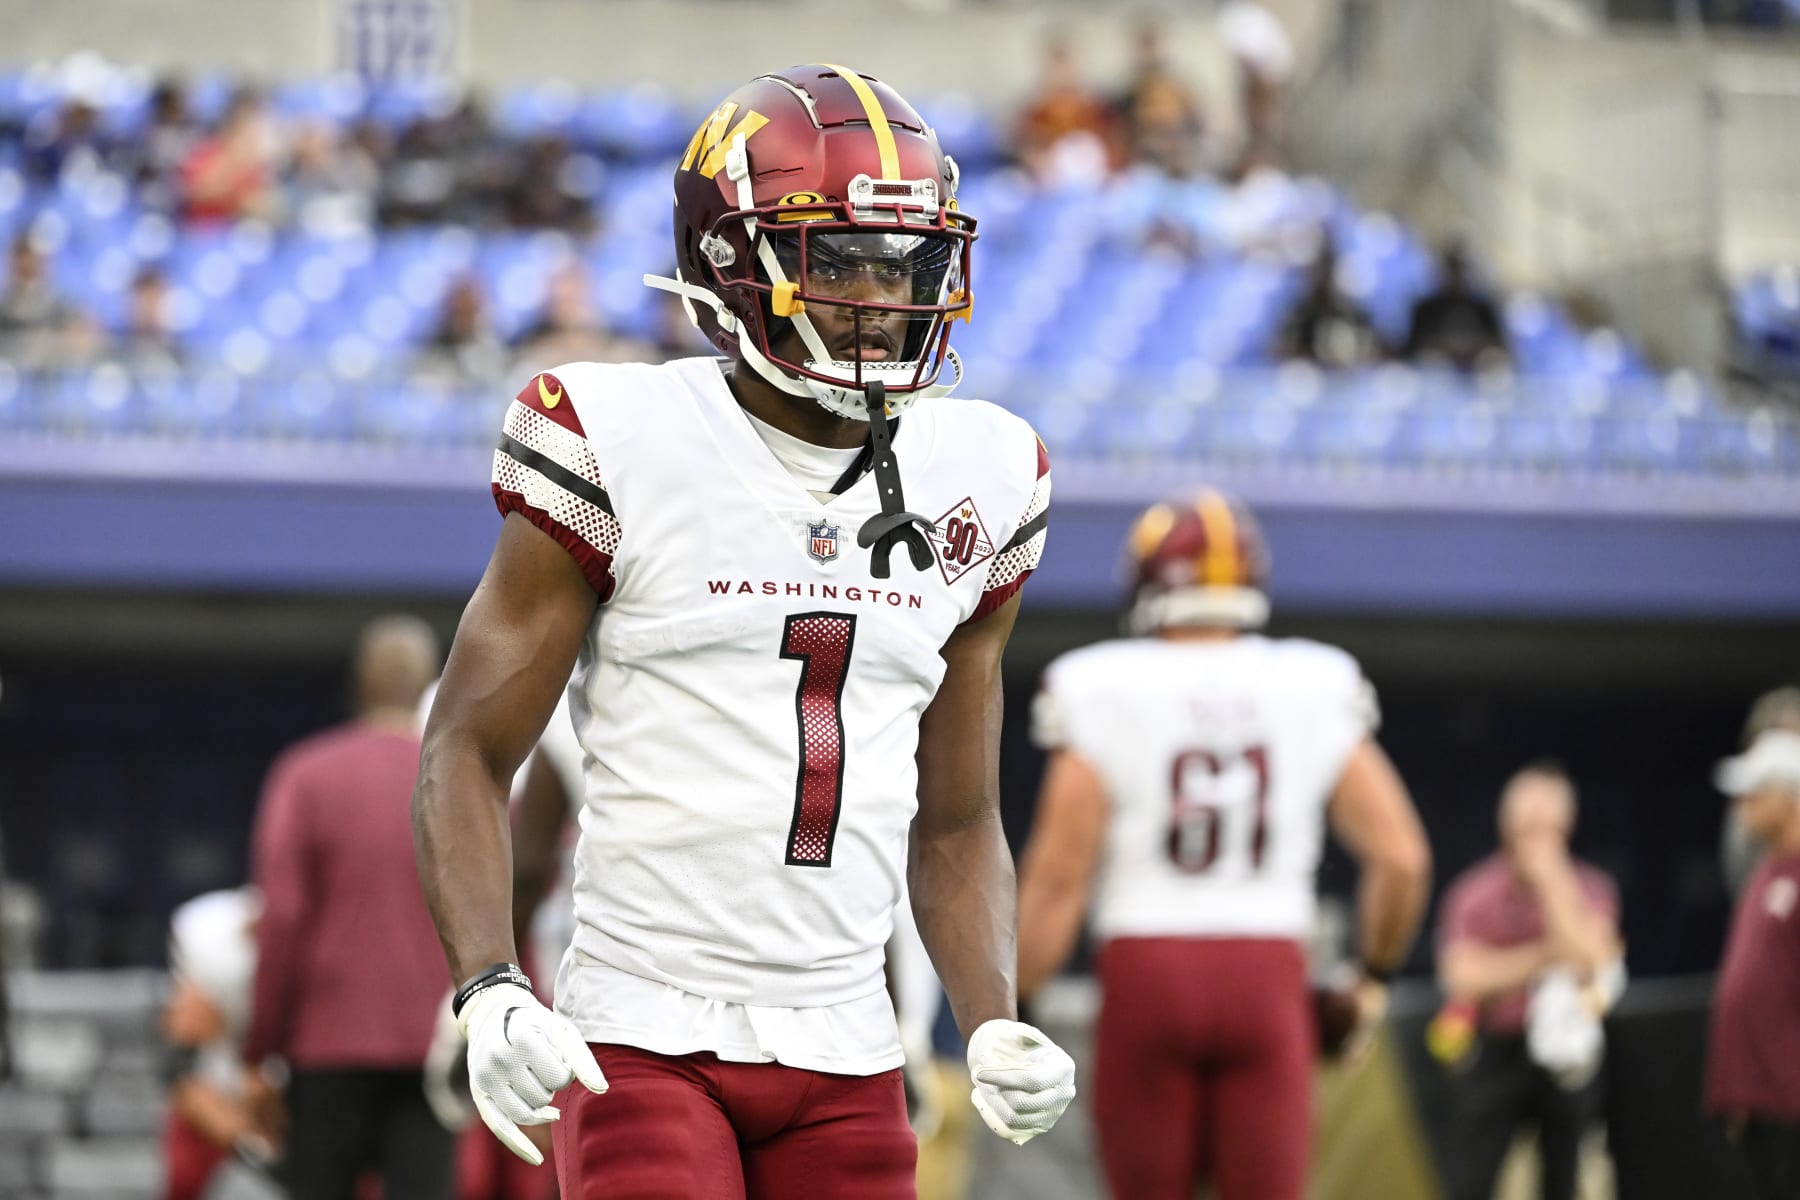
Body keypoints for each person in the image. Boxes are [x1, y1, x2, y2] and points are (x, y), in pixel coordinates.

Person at [413, 63, 1076, 1200]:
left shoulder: (986, 472)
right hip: (644, 1032)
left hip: (850, 1045)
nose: (883, 294)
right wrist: (490, 983)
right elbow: (468, 752)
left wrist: (992, 1011)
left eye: (906, 260)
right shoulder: (621, 438)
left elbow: (959, 817)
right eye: (843, 259)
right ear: (731, 263)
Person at [1013, 491, 1432, 1200]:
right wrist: (1373, 979)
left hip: (1146, 972)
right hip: (1269, 978)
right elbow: (1402, 858)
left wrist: (1011, 1005)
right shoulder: (1310, 682)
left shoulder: (1103, 685)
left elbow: (1059, 879)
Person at [245, 615, 455, 1200]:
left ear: (358, 683)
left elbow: (281, 919)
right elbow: (509, 911)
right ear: (430, 683)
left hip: (325, 1045)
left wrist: (261, 1049)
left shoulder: (305, 776)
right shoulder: (463, 781)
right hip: (434, 1044)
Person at [1434, 761, 1623, 1200]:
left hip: (1567, 1051)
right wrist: (1546, 956)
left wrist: (1553, 883)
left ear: (1567, 824)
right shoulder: (1473, 892)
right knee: (1469, 1179)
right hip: (1495, 1047)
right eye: (1526, 821)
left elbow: (1591, 961)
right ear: (1504, 821)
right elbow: (1462, 976)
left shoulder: (1591, 886)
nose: (1534, 835)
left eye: (1546, 822)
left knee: (1564, 1179)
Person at [1707, 729, 1800, 1199]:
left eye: (1755, 792)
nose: (1742, 804)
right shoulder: (1763, 872)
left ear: (1787, 799)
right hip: (1756, 1096)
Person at [161, 887, 277, 1200]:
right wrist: (240, 1132)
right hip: (221, 1092)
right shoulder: (207, 935)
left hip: (298, 1096)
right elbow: (180, 1067)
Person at [1402, 242, 1510, 372]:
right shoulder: (1427, 308)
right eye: (1451, 271)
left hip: (1475, 372)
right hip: (1438, 374)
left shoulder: (1482, 308)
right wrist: (1445, 348)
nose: (1455, 277)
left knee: (1493, 360)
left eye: (1459, 271)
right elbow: (1414, 346)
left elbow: (1498, 343)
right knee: (1430, 360)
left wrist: (1471, 349)